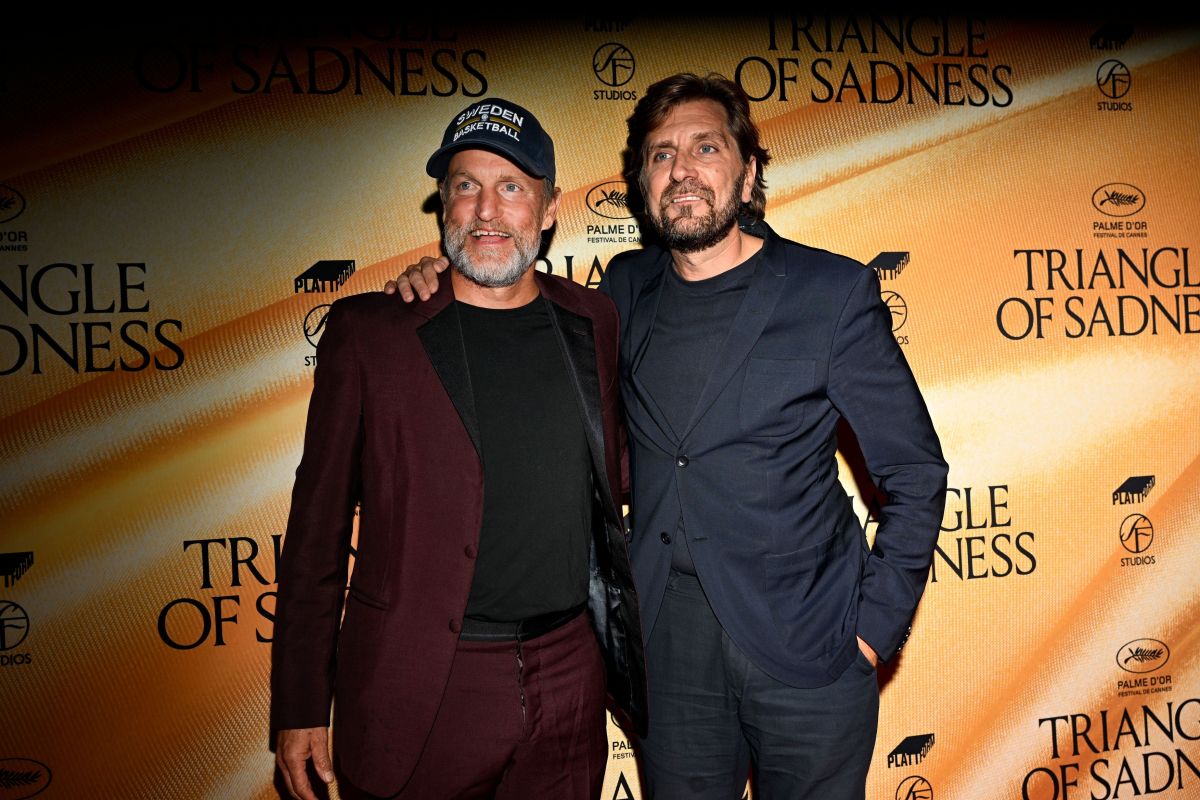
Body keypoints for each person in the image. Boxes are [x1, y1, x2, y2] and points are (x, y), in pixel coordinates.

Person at [389, 73, 947, 799]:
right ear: (642, 186)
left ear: (748, 173)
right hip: (668, 652)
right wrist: (444, 279)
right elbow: (517, 306)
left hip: (810, 643)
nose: (682, 170)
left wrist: (872, 631)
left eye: (705, 148)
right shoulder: (621, 291)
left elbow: (915, 471)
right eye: (661, 155)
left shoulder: (830, 293)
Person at [272, 96, 647, 800]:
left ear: (550, 207)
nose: (486, 211)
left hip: (569, 675)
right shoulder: (372, 333)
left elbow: (617, 475)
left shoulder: (592, 319)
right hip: (424, 684)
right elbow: (317, 533)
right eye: (467, 186)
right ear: (443, 203)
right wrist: (299, 705)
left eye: (512, 187)